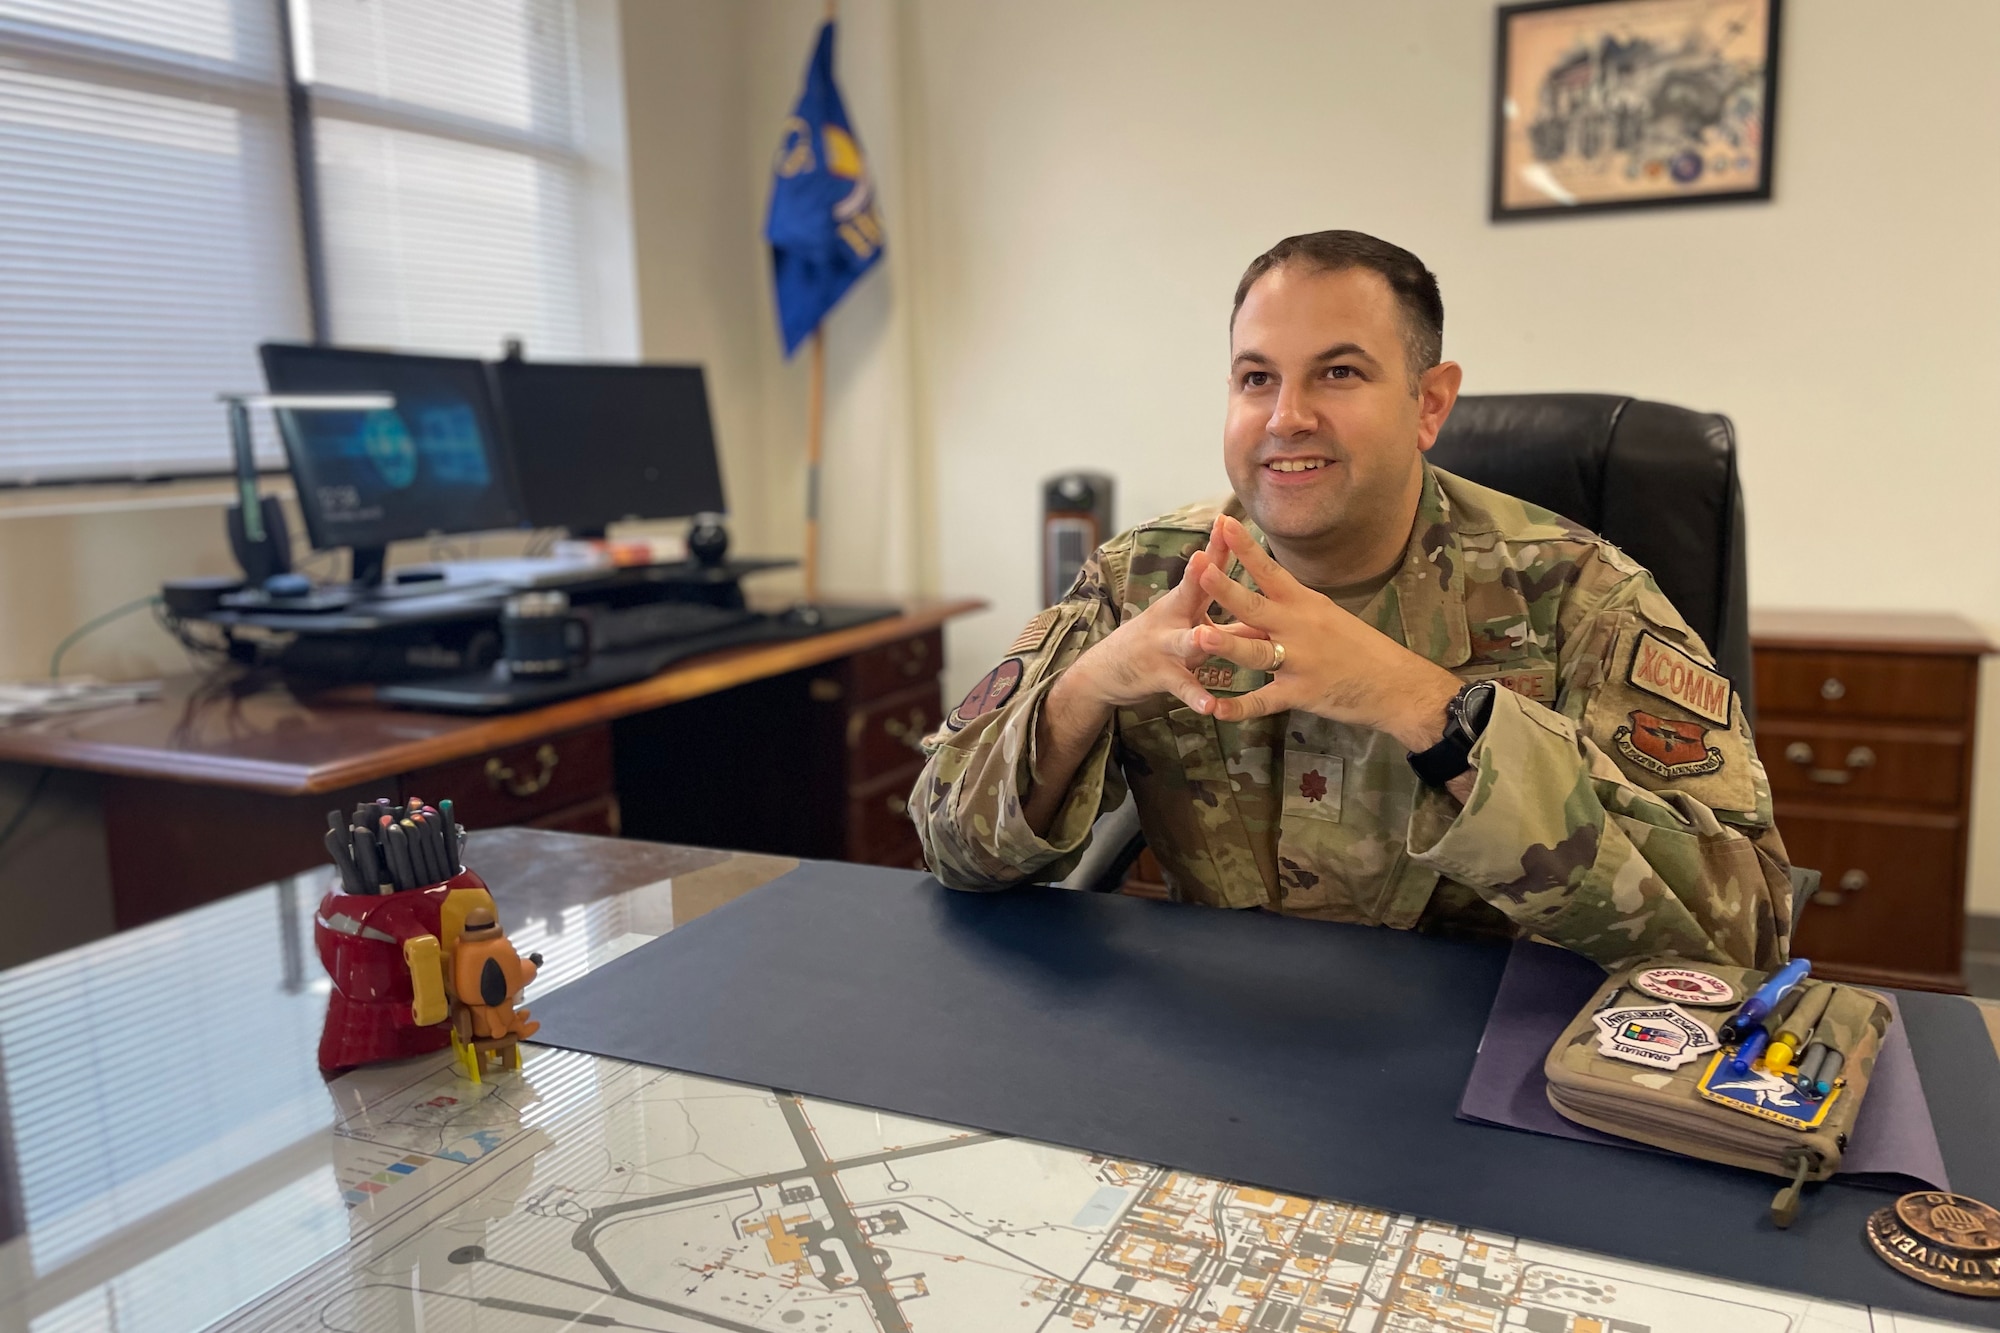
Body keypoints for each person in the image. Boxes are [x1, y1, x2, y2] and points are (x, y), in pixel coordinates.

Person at [911, 230, 1792, 970]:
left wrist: (1419, 703)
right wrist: (1089, 686)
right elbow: (947, 844)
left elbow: (1746, 931)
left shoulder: (1578, 596)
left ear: (1429, 404)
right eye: (1256, 378)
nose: (1286, 416)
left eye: (1338, 373)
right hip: (1217, 1041)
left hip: (1484, 1068)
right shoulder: (1147, 576)